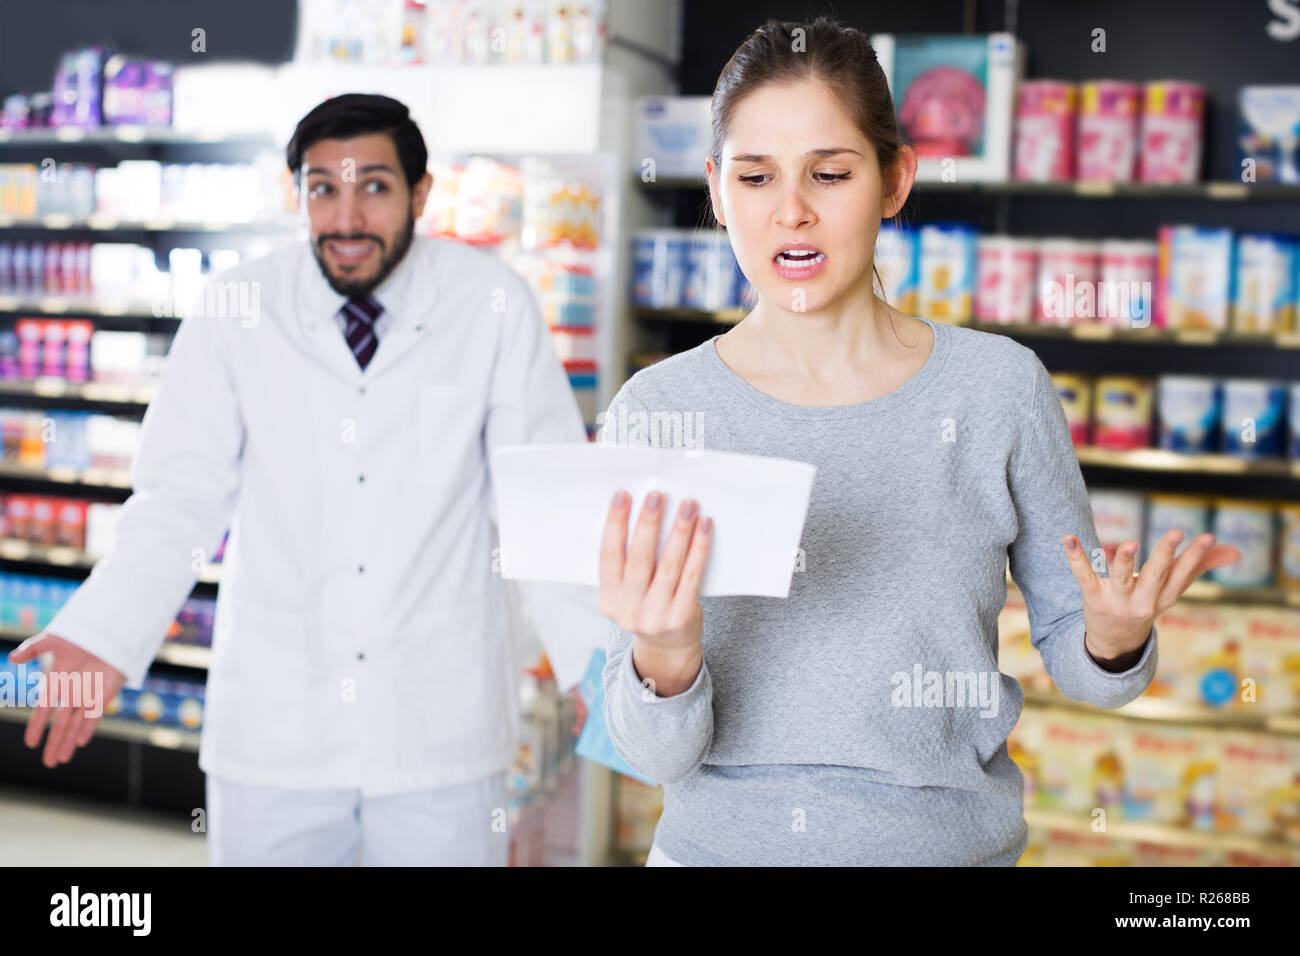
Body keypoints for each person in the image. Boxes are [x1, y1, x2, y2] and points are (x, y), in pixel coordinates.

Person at [595, 17, 1241, 867]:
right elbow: (650, 753)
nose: (792, 210)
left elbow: (1083, 662)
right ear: (716, 190)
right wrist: (665, 655)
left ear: (895, 180)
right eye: (755, 177)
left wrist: (1113, 637)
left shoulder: (998, 389)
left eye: (831, 173)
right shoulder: (655, 411)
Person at [9, 93, 600, 865]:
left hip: (439, 731)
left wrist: (595, 661)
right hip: (277, 730)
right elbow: (177, 500)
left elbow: (542, 503)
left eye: (375, 187)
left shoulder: (492, 304)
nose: (347, 218)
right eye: (324, 189)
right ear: (299, 195)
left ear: (421, 193)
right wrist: (107, 634)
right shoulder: (236, 307)